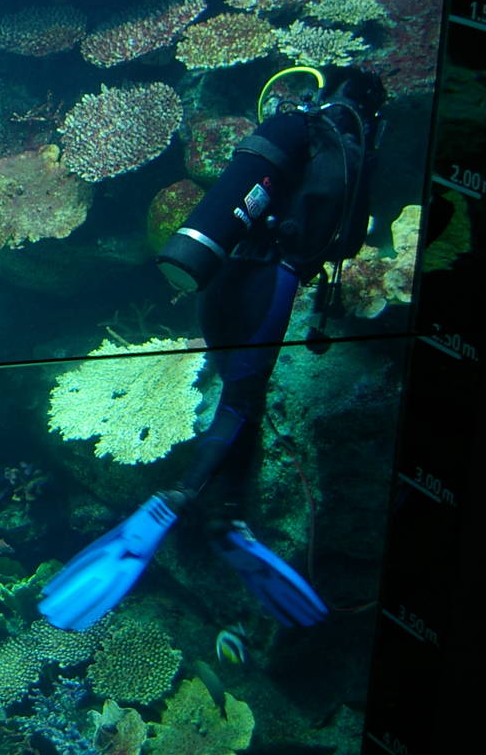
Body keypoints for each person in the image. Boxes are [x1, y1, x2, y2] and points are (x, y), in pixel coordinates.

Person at [40, 66, 388, 633]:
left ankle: (223, 515)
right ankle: (185, 505)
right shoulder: (347, 146)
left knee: (236, 393)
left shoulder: (293, 128)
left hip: (219, 278)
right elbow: (345, 241)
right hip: (268, 286)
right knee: (239, 406)